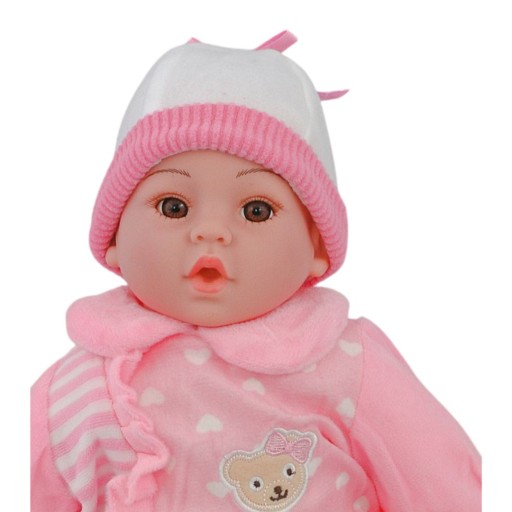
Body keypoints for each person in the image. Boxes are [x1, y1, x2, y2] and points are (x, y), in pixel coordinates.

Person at [31, 31, 481, 511]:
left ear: (316, 246)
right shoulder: (75, 386)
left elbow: (444, 484)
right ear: (115, 238)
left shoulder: (347, 365)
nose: (210, 232)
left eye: (256, 211)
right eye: (173, 206)